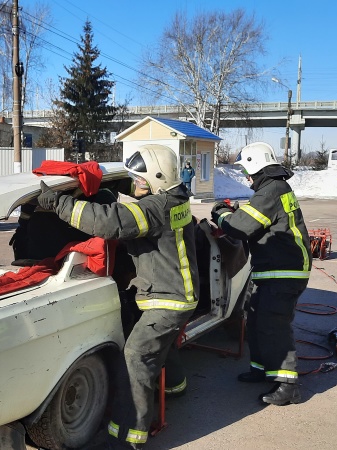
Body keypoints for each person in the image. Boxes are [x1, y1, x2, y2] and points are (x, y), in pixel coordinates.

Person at [37, 144, 199, 449]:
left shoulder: (155, 209)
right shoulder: (175, 198)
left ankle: (128, 437)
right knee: (160, 344)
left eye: (140, 180)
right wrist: (118, 182)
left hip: (167, 299)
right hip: (178, 293)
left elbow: (108, 221)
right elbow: (140, 194)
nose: (136, 185)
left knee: (136, 356)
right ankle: (176, 387)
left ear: (157, 178)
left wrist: (58, 203)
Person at [211, 142, 311, 406]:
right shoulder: (273, 189)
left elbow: (240, 228)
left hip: (284, 270)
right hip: (275, 269)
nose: (246, 176)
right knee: (255, 321)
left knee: (273, 325)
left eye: (247, 170)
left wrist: (221, 214)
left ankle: (288, 386)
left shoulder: (271, 190)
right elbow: (255, 220)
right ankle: (262, 369)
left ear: (256, 166)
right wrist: (235, 215)